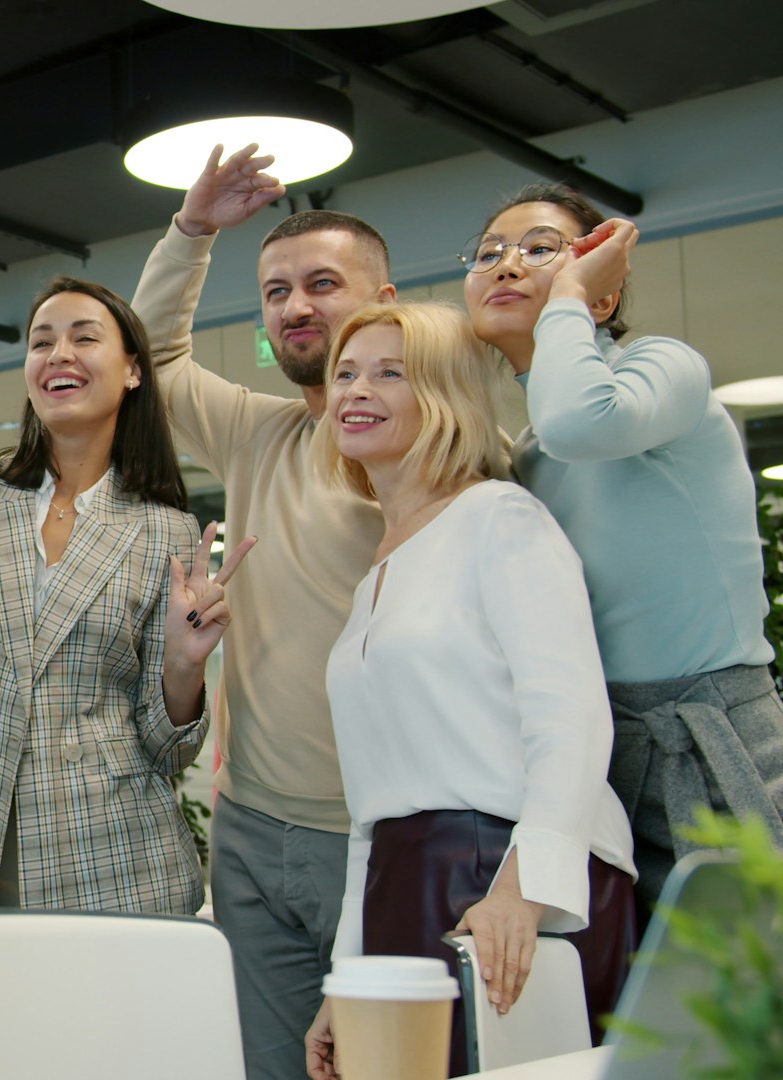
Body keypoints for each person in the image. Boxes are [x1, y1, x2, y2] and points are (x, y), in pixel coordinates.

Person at [301, 302, 636, 1080]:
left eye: (391, 372)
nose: (356, 389)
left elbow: (573, 716)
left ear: (446, 396)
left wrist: (524, 889)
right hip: (403, 878)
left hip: (505, 874)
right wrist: (345, 982)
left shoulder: (500, 517)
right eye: (345, 373)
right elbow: (370, 815)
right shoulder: (374, 576)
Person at [130, 144, 390, 1080]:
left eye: (323, 283)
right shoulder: (258, 431)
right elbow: (151, 356)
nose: (296, 307)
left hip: (380, 836)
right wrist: (191, 231)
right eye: (276, 291)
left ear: (385, 300)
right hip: (250, 830)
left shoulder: (435, 449)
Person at [0, 273, 250, 926]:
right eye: (41, 342)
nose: (59, 355)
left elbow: (167, 750)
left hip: (118, 863)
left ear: (133, 370)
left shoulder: (163, 527)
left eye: (85, 338)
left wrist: (185, 666)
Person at [463, 182, 783, 917]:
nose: (507, 264)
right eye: (488, 254)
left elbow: (586, 422)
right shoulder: (530, 452)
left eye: (541, 249)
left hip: (719, 741)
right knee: (640, 1009)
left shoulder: (666, 369)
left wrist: (570, 296)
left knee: (744, 1008)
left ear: (601, 296)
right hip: (607, 755)